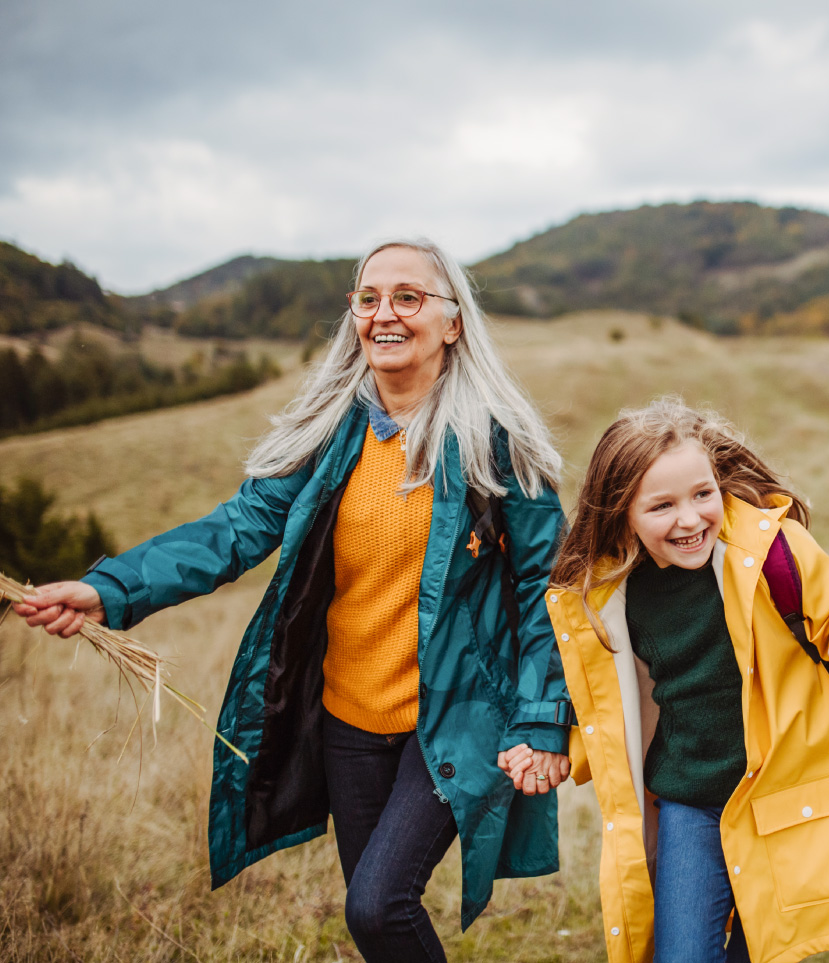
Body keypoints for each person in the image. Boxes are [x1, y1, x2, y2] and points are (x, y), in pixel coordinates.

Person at [15, 238, 574, 963]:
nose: (384, 314)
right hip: (347, 720)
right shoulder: (331, 434)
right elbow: (237, 529)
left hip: (451, 721)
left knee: (377, 907)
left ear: (453, 321)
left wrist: (540, 717)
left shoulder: (493, 442)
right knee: (373, 917)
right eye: (367, 298)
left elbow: (545, 584)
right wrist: (108, 588)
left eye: (408, 297)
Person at [545, 398, 829, 963]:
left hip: (781, 799)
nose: (690, 519)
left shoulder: (772, 552)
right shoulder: (607, 595)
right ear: (622, 512)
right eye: (662, 506)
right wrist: (555, 750)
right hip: (687, 804)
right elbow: (609, 707)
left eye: (702, 495)